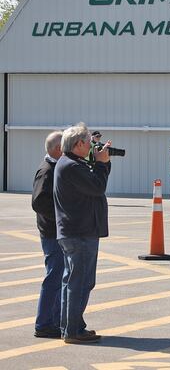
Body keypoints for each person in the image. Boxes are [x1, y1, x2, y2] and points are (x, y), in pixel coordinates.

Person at [54, 124, 112, 343]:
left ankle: (71, 326)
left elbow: (93, 185)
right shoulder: (71, 166)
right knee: (81, 281)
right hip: (80, 232)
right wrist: (102, 164)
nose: (91, 146)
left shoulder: (70, 163)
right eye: (88, 142)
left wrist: (99, 163)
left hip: (75, 231)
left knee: (73, 281)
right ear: (78, 144)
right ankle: (72, 330)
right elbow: (97, 187)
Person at [31, 131, 64, 339]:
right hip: (52, 233)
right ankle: (44, 323)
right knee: (54, 277)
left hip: (56, 231)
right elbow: (39, 202)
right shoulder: (47, 171)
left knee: (58, 276)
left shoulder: (55, 168)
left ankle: (54, 320)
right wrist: (60, 216)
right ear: (58, 149)